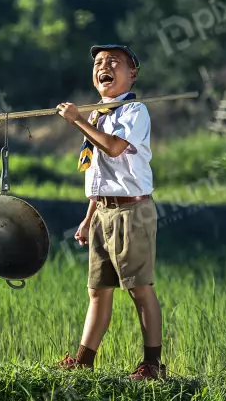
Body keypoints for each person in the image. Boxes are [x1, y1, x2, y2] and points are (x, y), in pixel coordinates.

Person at [54, 44, 165, 381]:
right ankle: (83, 361)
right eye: (100, 62)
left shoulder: (135, 112)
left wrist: (76, 122)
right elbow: (99, 174)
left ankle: (152, 366)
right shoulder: (97, 115)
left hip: (133, 212)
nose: (104, 66)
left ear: (132, 74)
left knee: (138, 288)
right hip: (103, 211)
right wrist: (88, 219)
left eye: (114, 62)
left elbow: (114, 148)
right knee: (98, 290)